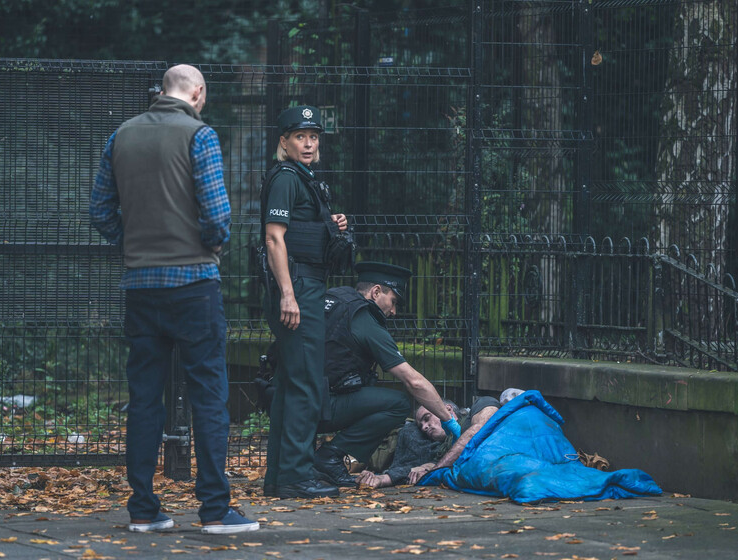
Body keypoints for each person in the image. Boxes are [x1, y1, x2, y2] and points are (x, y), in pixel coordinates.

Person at [90, 64, 258, 534]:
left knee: (144, 398)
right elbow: (218, 215)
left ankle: (143, 508)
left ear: (162, 91)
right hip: (193, 285)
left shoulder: (120, 135)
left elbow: (99, 209)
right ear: (197, 93)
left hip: (140, 286)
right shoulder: (198, 135)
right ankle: (214, 510)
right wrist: (210, 244)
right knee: (208, 394)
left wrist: (133, 244)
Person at [260, 105, 350, 499]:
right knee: (306, 385)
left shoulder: (304, 179)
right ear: (284, 141)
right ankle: (296, 476)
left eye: (314, 136)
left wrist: (332, 226)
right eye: (300, 136)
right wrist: (288, 295)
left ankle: (280, 477)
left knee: (292, 382)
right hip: (298, 290)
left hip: (306, 286)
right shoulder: (285, 178)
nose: (309, 142)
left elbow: (301, 233)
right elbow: (274, 239)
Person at [312, 262, 463, 488]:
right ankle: (330, 458)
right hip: (319, 404)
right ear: (376, 292)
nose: (393, 312)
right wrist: (448, 421)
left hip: (293, 401)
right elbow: (413, 381)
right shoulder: (363, 318)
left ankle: (335, 462)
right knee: (397, 404)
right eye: (393, 302)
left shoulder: (332, 301)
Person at [356, 396, 501, 489]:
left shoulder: (480, 405)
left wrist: (434, 470)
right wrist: (381, 479)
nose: (424, 427)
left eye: (427, 418)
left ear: (448, 409)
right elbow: (413, 468)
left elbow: (480, 429)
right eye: (421, 426)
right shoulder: (437, 448)